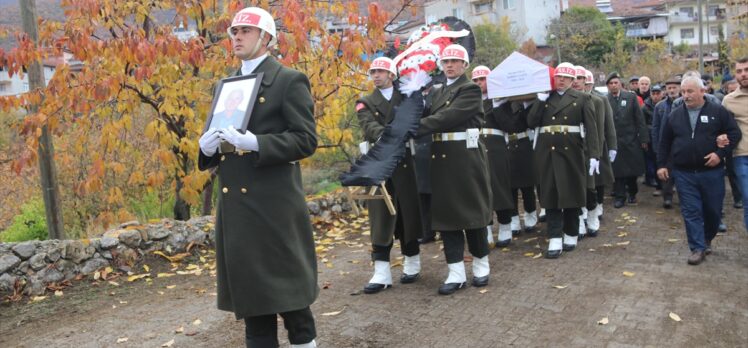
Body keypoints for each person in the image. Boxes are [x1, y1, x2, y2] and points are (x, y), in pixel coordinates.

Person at [197, 7, 319, 348]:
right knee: (254, 307)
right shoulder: (226, 84)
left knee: (292, 300)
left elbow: (306, 139)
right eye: (234, 31)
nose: (236, 36)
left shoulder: (288, 80)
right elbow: (221, 145)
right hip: (237, 208)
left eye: (246, 31)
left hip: (274, 206)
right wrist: (206, 148)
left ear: (266, 38)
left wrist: (255, 142)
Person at [417, 44, 492, 294]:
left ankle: (481, 266)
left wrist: (416, 127)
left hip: (465, 158)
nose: (449, 65)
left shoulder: (469, 89)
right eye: (446, 61)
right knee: (447, 217)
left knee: (472, 214)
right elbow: (426, 111)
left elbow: (448, 117)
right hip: (442, 159)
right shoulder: (436, 91)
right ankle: (456, 272)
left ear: (464, 65)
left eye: (454, 61)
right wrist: (412, 94)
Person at [355, 57, 424, 294]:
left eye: (381, 71)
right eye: (373, 71)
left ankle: (412, 261)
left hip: (403, 163)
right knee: (379, 216)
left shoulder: (407, 96)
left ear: (392, 75)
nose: (376, 75)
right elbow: (368, 126)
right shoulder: (364, 101)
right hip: (378, 163)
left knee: (408, 214)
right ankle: (382, 272)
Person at [657, 75, 741, 265]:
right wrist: (662, 165)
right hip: (684, 173)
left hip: (712, 172)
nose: (685, 96)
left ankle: (707, 238)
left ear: (703, 91)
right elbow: (664, 142)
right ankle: (697, 248)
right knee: (691, 210)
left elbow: (735, 133)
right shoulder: (675, 115)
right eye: (683, 92)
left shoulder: (718, 111)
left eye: (690, 91)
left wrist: (720, 153)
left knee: (713, 211)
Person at [527, 62, 600, 258]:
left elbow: (592, 129)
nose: (561, 80)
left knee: (571, 193)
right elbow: (531, 122)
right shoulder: (544, 97)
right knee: (550, 195)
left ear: (572, 80)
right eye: (558, 77)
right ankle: (554, 237)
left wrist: (594, 155)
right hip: (547, 152)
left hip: (572, 152)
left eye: (566, 78)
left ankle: (571, 232)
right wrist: (540, 100)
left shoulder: (583, 98)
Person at [472, 66, 515, 247]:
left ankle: (505, 224)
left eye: (482, 79)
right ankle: (487, 227)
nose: (479, 83)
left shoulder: (503, 101)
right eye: (476, 80)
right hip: (476, 146)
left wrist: (497, 107)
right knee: (481, 188)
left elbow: (509, 126)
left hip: (496, 147)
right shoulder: (470, 101)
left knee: (500, 186)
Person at [606, 73, 648, 208]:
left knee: (632, 170)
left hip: (631, 139)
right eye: (611, 83)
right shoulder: (605, 100)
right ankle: (620, 197)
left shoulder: (630, 97)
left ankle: (632, 193)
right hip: (614, 141)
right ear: (608, 86)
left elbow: (639, 119)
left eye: (615, 83)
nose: (613, 85)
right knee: (617, 171)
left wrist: (643, 138)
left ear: (620, 84)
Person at [586, 69, 617, 223]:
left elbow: (609, 124)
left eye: (587, 82)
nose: (585, 85)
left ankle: (599, 204)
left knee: (599, 179)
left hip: (600, 142)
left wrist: (612, 145)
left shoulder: (601, 99)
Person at [722, 57, 748, 230]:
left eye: (746, 70)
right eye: (739, 71)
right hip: (741, 156)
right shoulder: (728, 100)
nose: (743, 74)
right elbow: (723, 128)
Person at [651, 76, 681, 208]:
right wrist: (656, 145)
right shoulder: (660, 106)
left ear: (679, 88)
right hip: (666, 144)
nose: (672, 90)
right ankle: (667, 197)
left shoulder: (684, 103)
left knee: (681, 172)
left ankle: (684, 197)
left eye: (674, 87)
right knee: (666, 172)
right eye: (669, 88)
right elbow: (655, 127)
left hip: (681, 144)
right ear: (665, 90)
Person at [642, 84, 664, 188]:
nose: (655, 96)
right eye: (653, 94)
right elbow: (642, 124)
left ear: (662, 94)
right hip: (650, 137)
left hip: (663, 136)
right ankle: (650, 179)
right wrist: (644, 139)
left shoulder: (666, 105)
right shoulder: (645, 107)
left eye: (658, 93)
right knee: (649, 160)